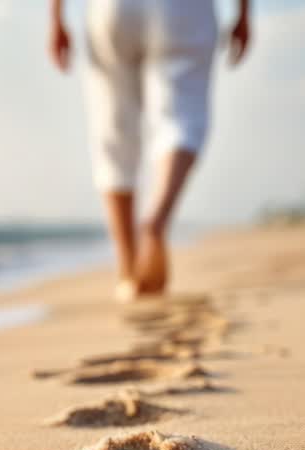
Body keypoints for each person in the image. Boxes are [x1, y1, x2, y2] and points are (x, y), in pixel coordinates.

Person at [49, 0, 251, 300]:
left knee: (112, 131)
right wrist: (244, 14)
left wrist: (56, 18)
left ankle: (128, 267)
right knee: (181, 117)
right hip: (182, 11)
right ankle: (155, 221)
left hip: (111, 10)